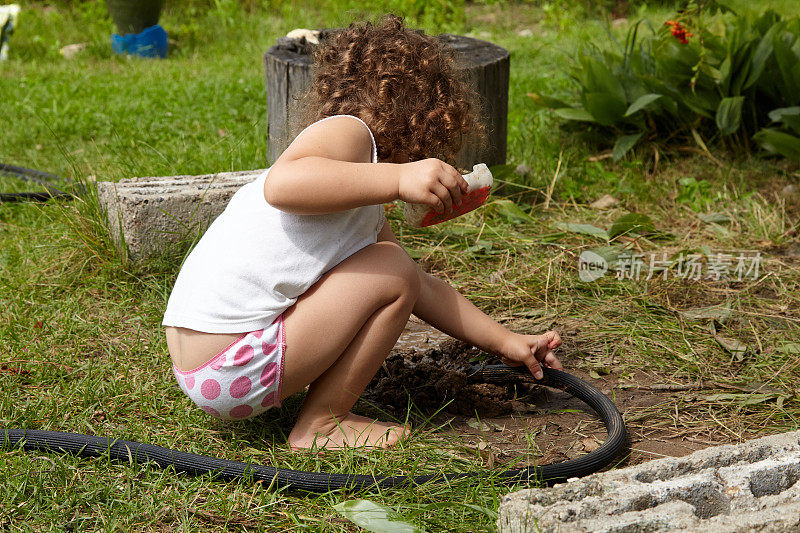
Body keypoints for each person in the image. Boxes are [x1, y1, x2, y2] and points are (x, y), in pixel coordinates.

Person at [163, 14, 562, 451]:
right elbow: (282, 185)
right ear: (419, 117)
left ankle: (319, 413)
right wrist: (397, 178)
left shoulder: (356, 201)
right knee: (393, 268)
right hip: (230, 366)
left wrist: (505, 341)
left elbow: (416, 285)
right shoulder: (350, 132)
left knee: (395, 270)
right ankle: (322, 424)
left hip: (208, 366)